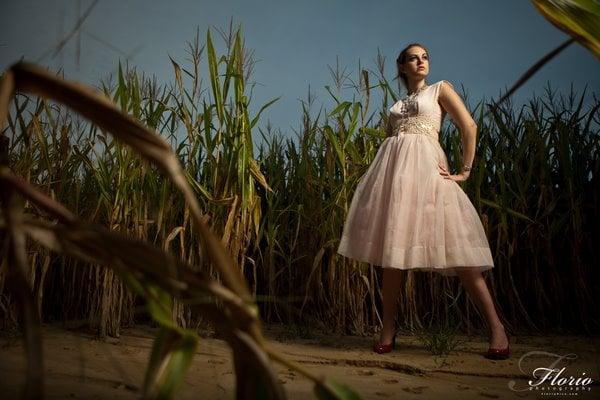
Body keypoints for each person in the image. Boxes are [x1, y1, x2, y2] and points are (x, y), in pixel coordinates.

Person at [336, 43, 510, 360]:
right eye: (414, 58)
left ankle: (497, 328)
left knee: (461, 251)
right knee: (392, 255)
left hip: (430, 176)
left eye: (425, 56)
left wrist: (465, 171)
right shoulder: (396, 106)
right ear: (402, 67)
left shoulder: (439, 90)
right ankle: (388, 328)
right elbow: (392, 144)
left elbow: (469, 126)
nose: (421, 61)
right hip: (396, 183)